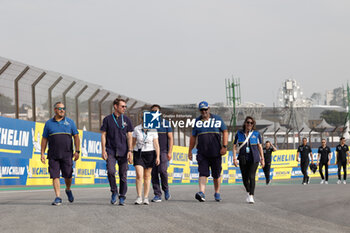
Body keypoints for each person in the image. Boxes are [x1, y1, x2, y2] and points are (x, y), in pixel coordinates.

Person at [40, 102, 80, 206]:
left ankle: (68, 189)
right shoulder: (49, 123)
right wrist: (42, 153)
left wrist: (77, 151)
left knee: (68, 175)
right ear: (55, 110)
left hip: (67, 155)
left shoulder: (70, 122)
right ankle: (58, 197)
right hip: (53, 155)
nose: (62, 110)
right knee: (55, 176)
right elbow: (44, 139)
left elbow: (76, 136)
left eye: (63, 108)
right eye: (59, 109)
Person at [188, 101, 228, 202]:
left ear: (209, 109)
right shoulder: (197, 121)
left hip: (216, 153)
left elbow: (225, 131)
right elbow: (193, 137)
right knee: (203, 173)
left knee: (216, 174)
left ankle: (217, 192)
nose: (204, 111)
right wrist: (189, 151)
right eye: (202, 110)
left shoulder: (217, 119)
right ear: (199, 111)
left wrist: (224, 146)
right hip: (202, 153)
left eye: (205, 109)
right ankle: (202, 193)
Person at [101, 98, 133, 205]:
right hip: (110, 150)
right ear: (115, 106)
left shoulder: (127, 120)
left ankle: (122, 196)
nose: (124, 108)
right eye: (122, 106)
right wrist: (103, 150)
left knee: (123, 175)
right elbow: (103, 135)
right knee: (110, 171)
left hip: (124, 151)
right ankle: (114, 191)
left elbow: (129, 136)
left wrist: (130, 151)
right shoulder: (107, 119)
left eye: (125, 106)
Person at [233, 116, 265, 204]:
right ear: (245, 123)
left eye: (251, 123)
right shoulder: (239, 133)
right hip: (243, 157)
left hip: (254, 157)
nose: (249, 124)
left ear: (253, 124)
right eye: (248, 122)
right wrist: (234, 158)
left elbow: (260, 146)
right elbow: (235, 146)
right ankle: (248, 191)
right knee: (244, 177)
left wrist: (262, 158)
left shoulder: (256, 134)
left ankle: (251, 195)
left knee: (251, 176)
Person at [150, 104, 173, 203]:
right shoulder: (149, 124)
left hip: (163, 151)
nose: (154, 113)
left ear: (160, 113)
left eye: (156, 111)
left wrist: (170, 152)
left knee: (163, 171)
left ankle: (166, 189)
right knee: (153, 173)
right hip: (151, 152)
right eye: (152, 111)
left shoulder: (166, 123)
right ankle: (157, 194)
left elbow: (171, 138)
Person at [132, 122, 160, 205]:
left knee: (147, 176)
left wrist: (158, 156)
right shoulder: (137, 128)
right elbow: (133, 142)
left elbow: (156, 144)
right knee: (139, 175)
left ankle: (146, 197)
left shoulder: (153, 130)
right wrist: (130, 152)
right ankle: (139, 197)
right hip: (138, 153)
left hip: (150, 153)